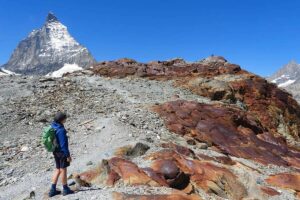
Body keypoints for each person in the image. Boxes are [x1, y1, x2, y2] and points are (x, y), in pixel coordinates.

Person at [48, 112, 74, 197]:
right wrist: (68, 155)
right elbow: (63, 145)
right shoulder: (61, 130)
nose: (66, 120)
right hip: (62, 153)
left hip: (55, 151)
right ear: (62, 120)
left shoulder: (53, 126)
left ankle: (52, 189)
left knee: (58, 169)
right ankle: (65, 189)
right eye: (65, 118)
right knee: (63, 170)